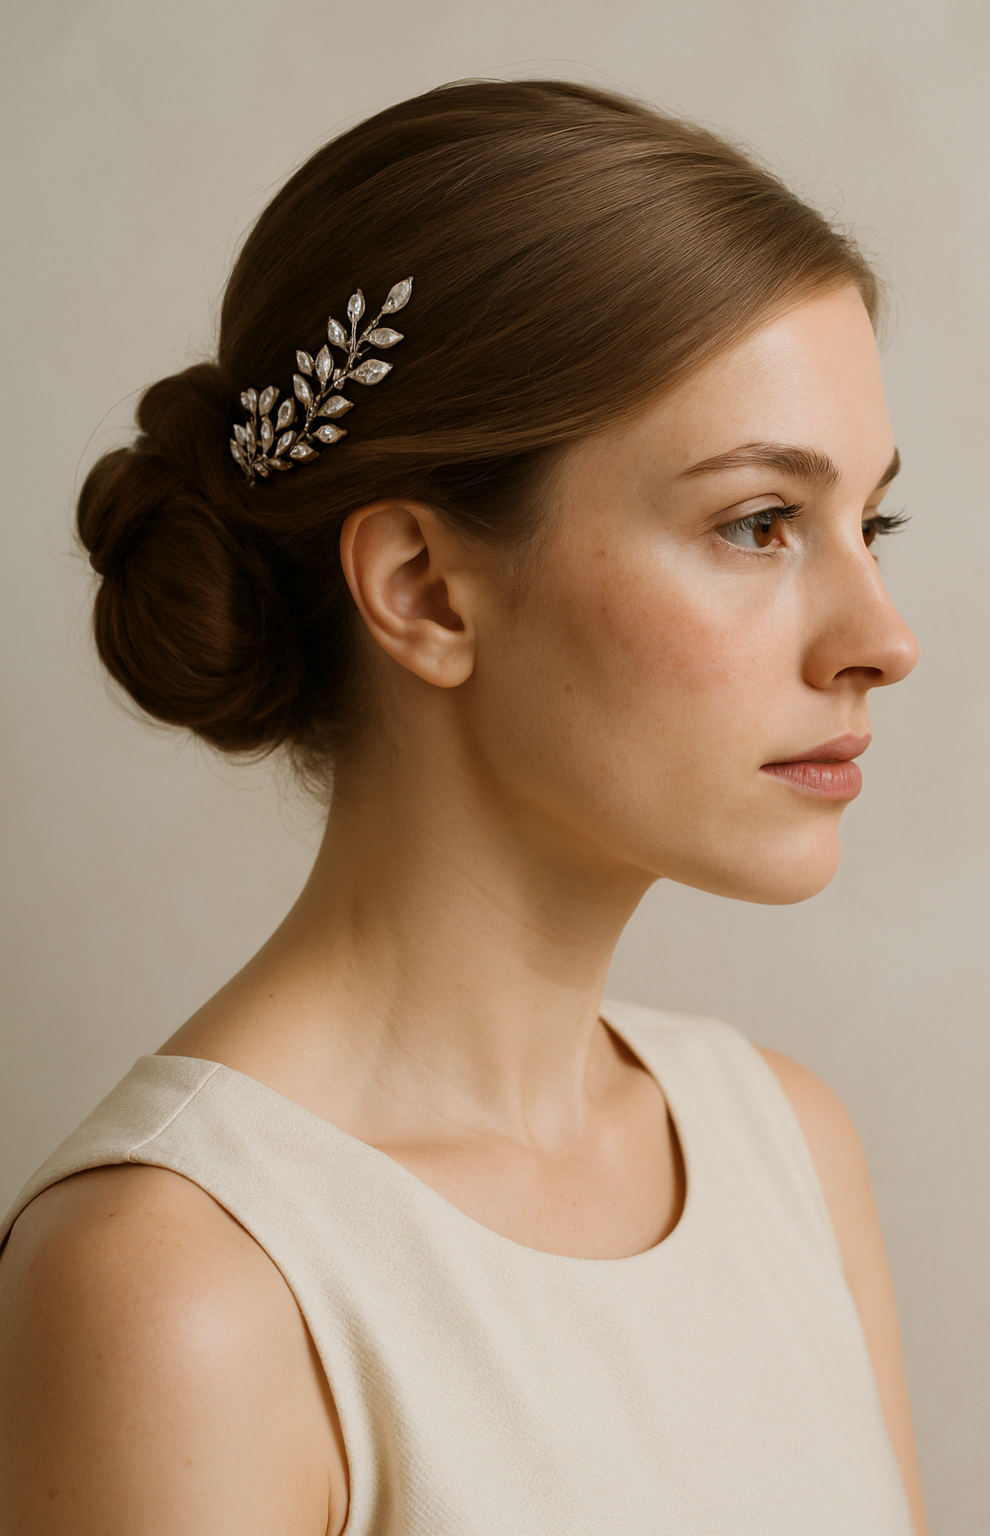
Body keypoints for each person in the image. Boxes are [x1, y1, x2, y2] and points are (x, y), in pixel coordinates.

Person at [0, 79, 927, 1535]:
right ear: (425, 590)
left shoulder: (788, 1149)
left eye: (870, 524)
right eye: (759, 522)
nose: (884, 637)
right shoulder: (185, 1289)